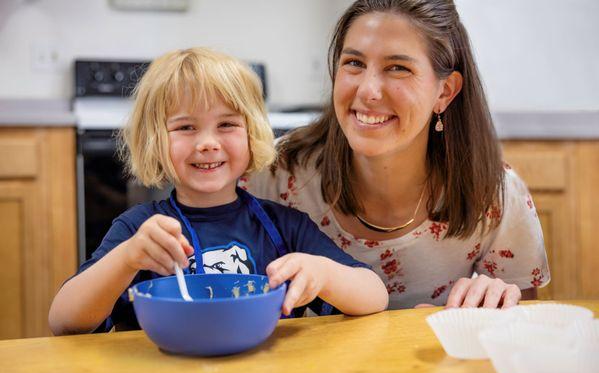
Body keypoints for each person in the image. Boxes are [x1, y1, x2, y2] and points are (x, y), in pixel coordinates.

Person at [48, 48, 388, 335]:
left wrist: (324, 274)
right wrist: (126, 259)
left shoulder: (285, 226)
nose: (208, 143)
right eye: (185, 127)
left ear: (251, 133)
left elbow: (375, 296)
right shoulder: (138, 233)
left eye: (226, 124)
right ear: (155, 140)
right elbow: (63, 321)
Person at [244, 0, 549, 310]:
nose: (368, 91)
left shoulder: (495, 194)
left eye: (398, 68)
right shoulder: (276, 173)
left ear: (444, 92)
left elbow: (517, 337)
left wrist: (496, 303)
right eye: (354, 63)